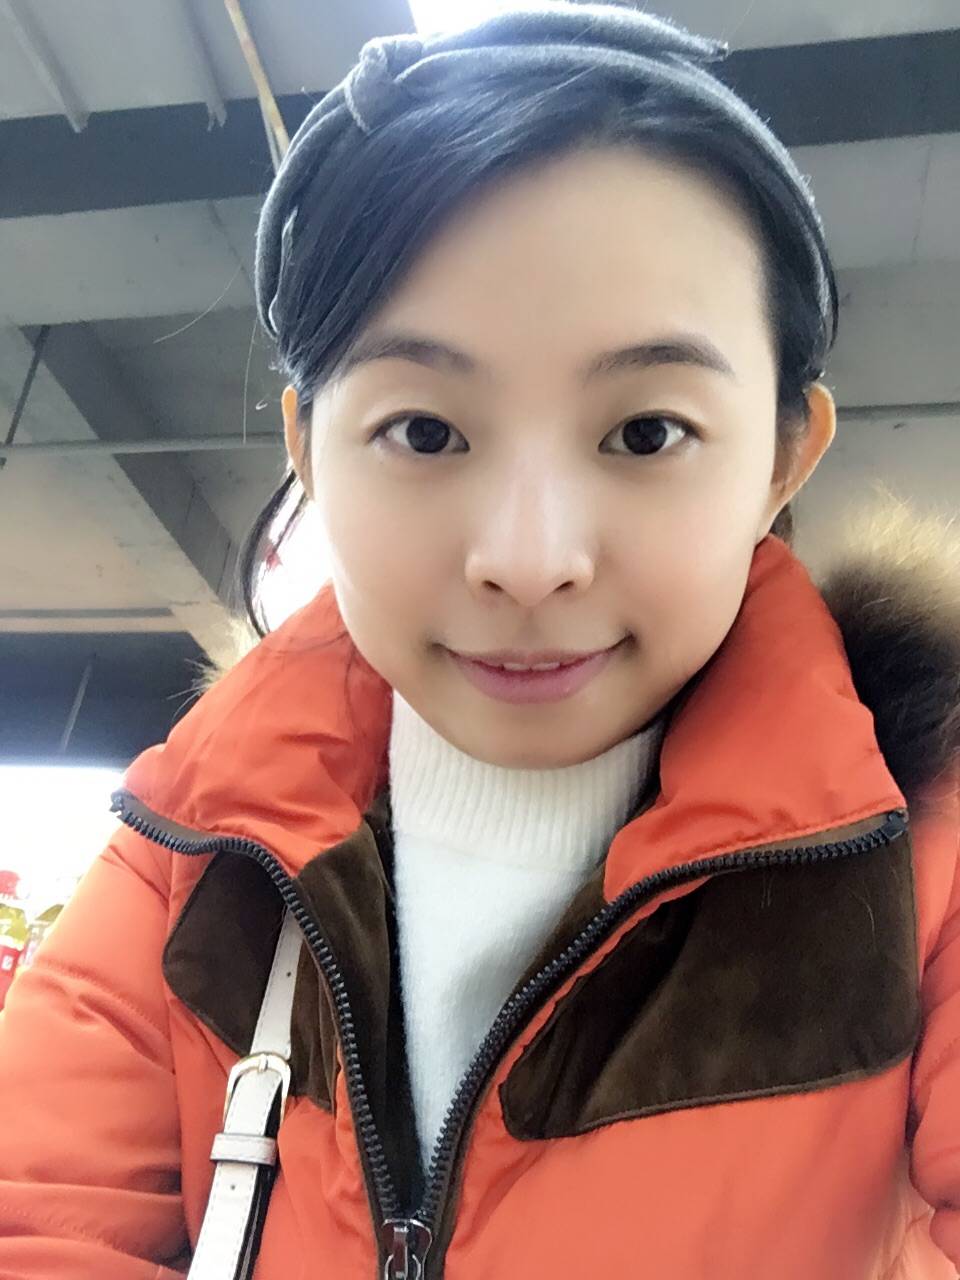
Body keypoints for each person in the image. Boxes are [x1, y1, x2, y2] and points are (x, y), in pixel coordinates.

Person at [1, 3, 958, 1277]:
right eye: (426, 431)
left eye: (647, 432)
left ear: (785, 457)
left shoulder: (923, 855)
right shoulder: (190, 858)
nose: (528, 556)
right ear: (307, 451)